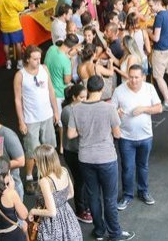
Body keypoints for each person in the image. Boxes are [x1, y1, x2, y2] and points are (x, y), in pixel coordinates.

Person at [67, 76, 135, 241]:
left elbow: (70, 134)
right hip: (106, 158)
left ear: (87, 88)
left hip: (85, 159)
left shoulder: (75, 108)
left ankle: (98, 231)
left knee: (93, 196)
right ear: (102, 89)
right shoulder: (109, 108)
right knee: (110, 199)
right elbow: (117, 134)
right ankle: (115, 233)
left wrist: (85, 131)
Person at [111, 65, 162, 209]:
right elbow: (112, 111)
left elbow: (159, 107)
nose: (133, 80)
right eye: (131, 76)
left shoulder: (149, 88)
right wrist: (117, 113)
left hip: (146, 136)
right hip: (126, 137)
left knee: (143, 166)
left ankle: (143, 191)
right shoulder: (119, 91)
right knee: (127, 168)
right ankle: (127, 195)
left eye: (136, 77)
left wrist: (144, 109)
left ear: (143, 77)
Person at [13, 45, 59, 195]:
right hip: (31, 119)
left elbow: (51, 90)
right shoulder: (20, 75)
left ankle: (49, 175)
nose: (38, 61)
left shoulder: (44, 69)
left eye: (39, 58)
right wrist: (21, 121)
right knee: (31, 151)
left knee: (50, 147)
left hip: (47, 115)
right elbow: (17, 100)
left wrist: (56, 111)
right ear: (27, 59)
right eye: (35, 59)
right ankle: (29, 178)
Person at [28, 145, 83, 240]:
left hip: (51, 223)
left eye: (36, 160)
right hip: (67, 214)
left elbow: (52, 212)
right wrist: (58, 202)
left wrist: (32, 211)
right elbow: (71, 193)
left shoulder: (45, 181)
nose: (35, 162)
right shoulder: (64, 171)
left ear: (42, 162)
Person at [60, 84, 92, 223]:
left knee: (84, 180)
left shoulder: (82, 107)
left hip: (82, 150)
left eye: (86, 97)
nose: (84, 100)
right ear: (74, 97)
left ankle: (85, 206)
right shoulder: (67, 111)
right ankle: (81, 210)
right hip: (72, 152)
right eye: (81, 97)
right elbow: (80, 129)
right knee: (80, 180)